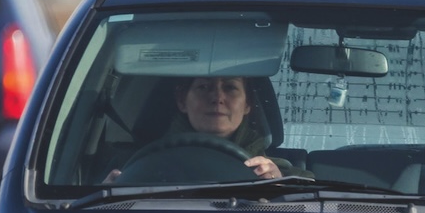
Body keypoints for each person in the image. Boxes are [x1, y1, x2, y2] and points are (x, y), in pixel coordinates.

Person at [108, 75, 297, 182]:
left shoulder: (282, 174)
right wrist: (107, 194)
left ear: (248, 104)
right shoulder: (133, 169)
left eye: (230, 87)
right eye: (204, 87)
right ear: (182, 101)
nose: (217, 98)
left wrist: (278, 185)